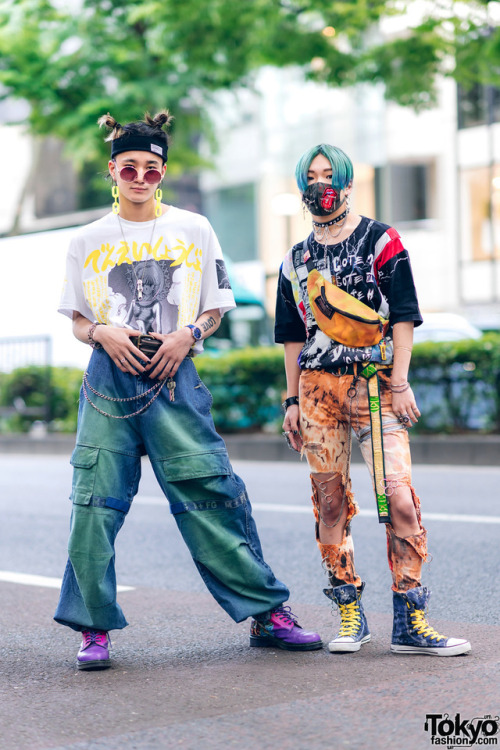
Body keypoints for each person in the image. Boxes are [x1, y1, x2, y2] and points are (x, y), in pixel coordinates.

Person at [54, 110, 322, 669]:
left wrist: (187, 335)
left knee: (211, 496)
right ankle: (92, 628)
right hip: (108, 379)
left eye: (152, 169)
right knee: (93, 503)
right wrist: (102, 332)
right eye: (130, 168)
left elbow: (215, 307)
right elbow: (78, 320)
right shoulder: (86, 239)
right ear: (112, 170)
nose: (141, 178)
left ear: (163, 172)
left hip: (175, 374)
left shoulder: (193, 228)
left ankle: (266, 614)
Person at [275, 143, 471, 657]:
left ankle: (411, 621)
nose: (320, 185)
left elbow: (403, 314)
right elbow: (293, 337)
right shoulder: (295, 261)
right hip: (316, 390)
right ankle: (349, 612)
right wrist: (290, 401)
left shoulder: (381, 240)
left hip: (374, 384)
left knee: (400, 498)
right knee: (330, 501)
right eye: (311, 176)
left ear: (345, 181)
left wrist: (400, 383)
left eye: (328, 175)